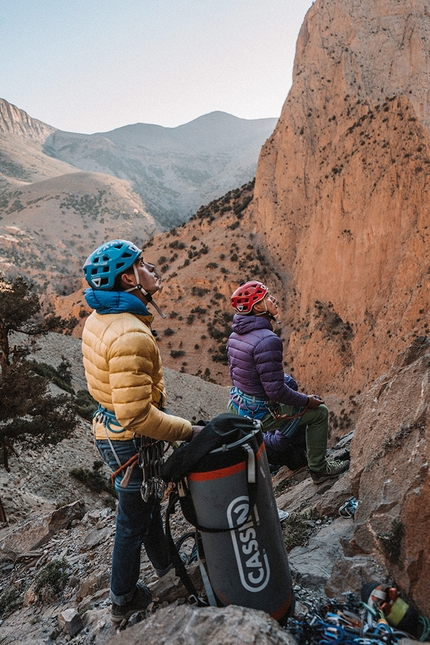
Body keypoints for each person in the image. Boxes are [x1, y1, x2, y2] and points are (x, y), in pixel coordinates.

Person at [81, 239, 200, 623]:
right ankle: (122, 599)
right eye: (142, 264)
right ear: (127, 278)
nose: (152, 269)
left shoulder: (100, 317)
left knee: (146, 510)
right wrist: (187, 431)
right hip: (129, 439)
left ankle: (169, 570)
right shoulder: (129, 334)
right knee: (132, 520)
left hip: (110, 430)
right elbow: (136, 415)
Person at [226, 280, 349, 484]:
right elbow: (276, 392)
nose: (273, 299)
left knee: (290, 386)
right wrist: (306, 401)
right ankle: (319, 468)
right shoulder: (267, 340)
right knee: (320, 413)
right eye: (267, 297)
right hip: (259, 411)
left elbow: (240, 373)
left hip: (237, 405)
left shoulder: (235, 335)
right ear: (257, 306)